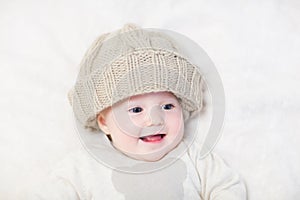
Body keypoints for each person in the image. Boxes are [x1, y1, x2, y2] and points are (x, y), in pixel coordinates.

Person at [29, 23, 247, 199]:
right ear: (104, 122)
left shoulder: (195, 157)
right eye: (135, 109)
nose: (154, 120)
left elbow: (228, 186)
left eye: (167, 106)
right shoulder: (84, 167)